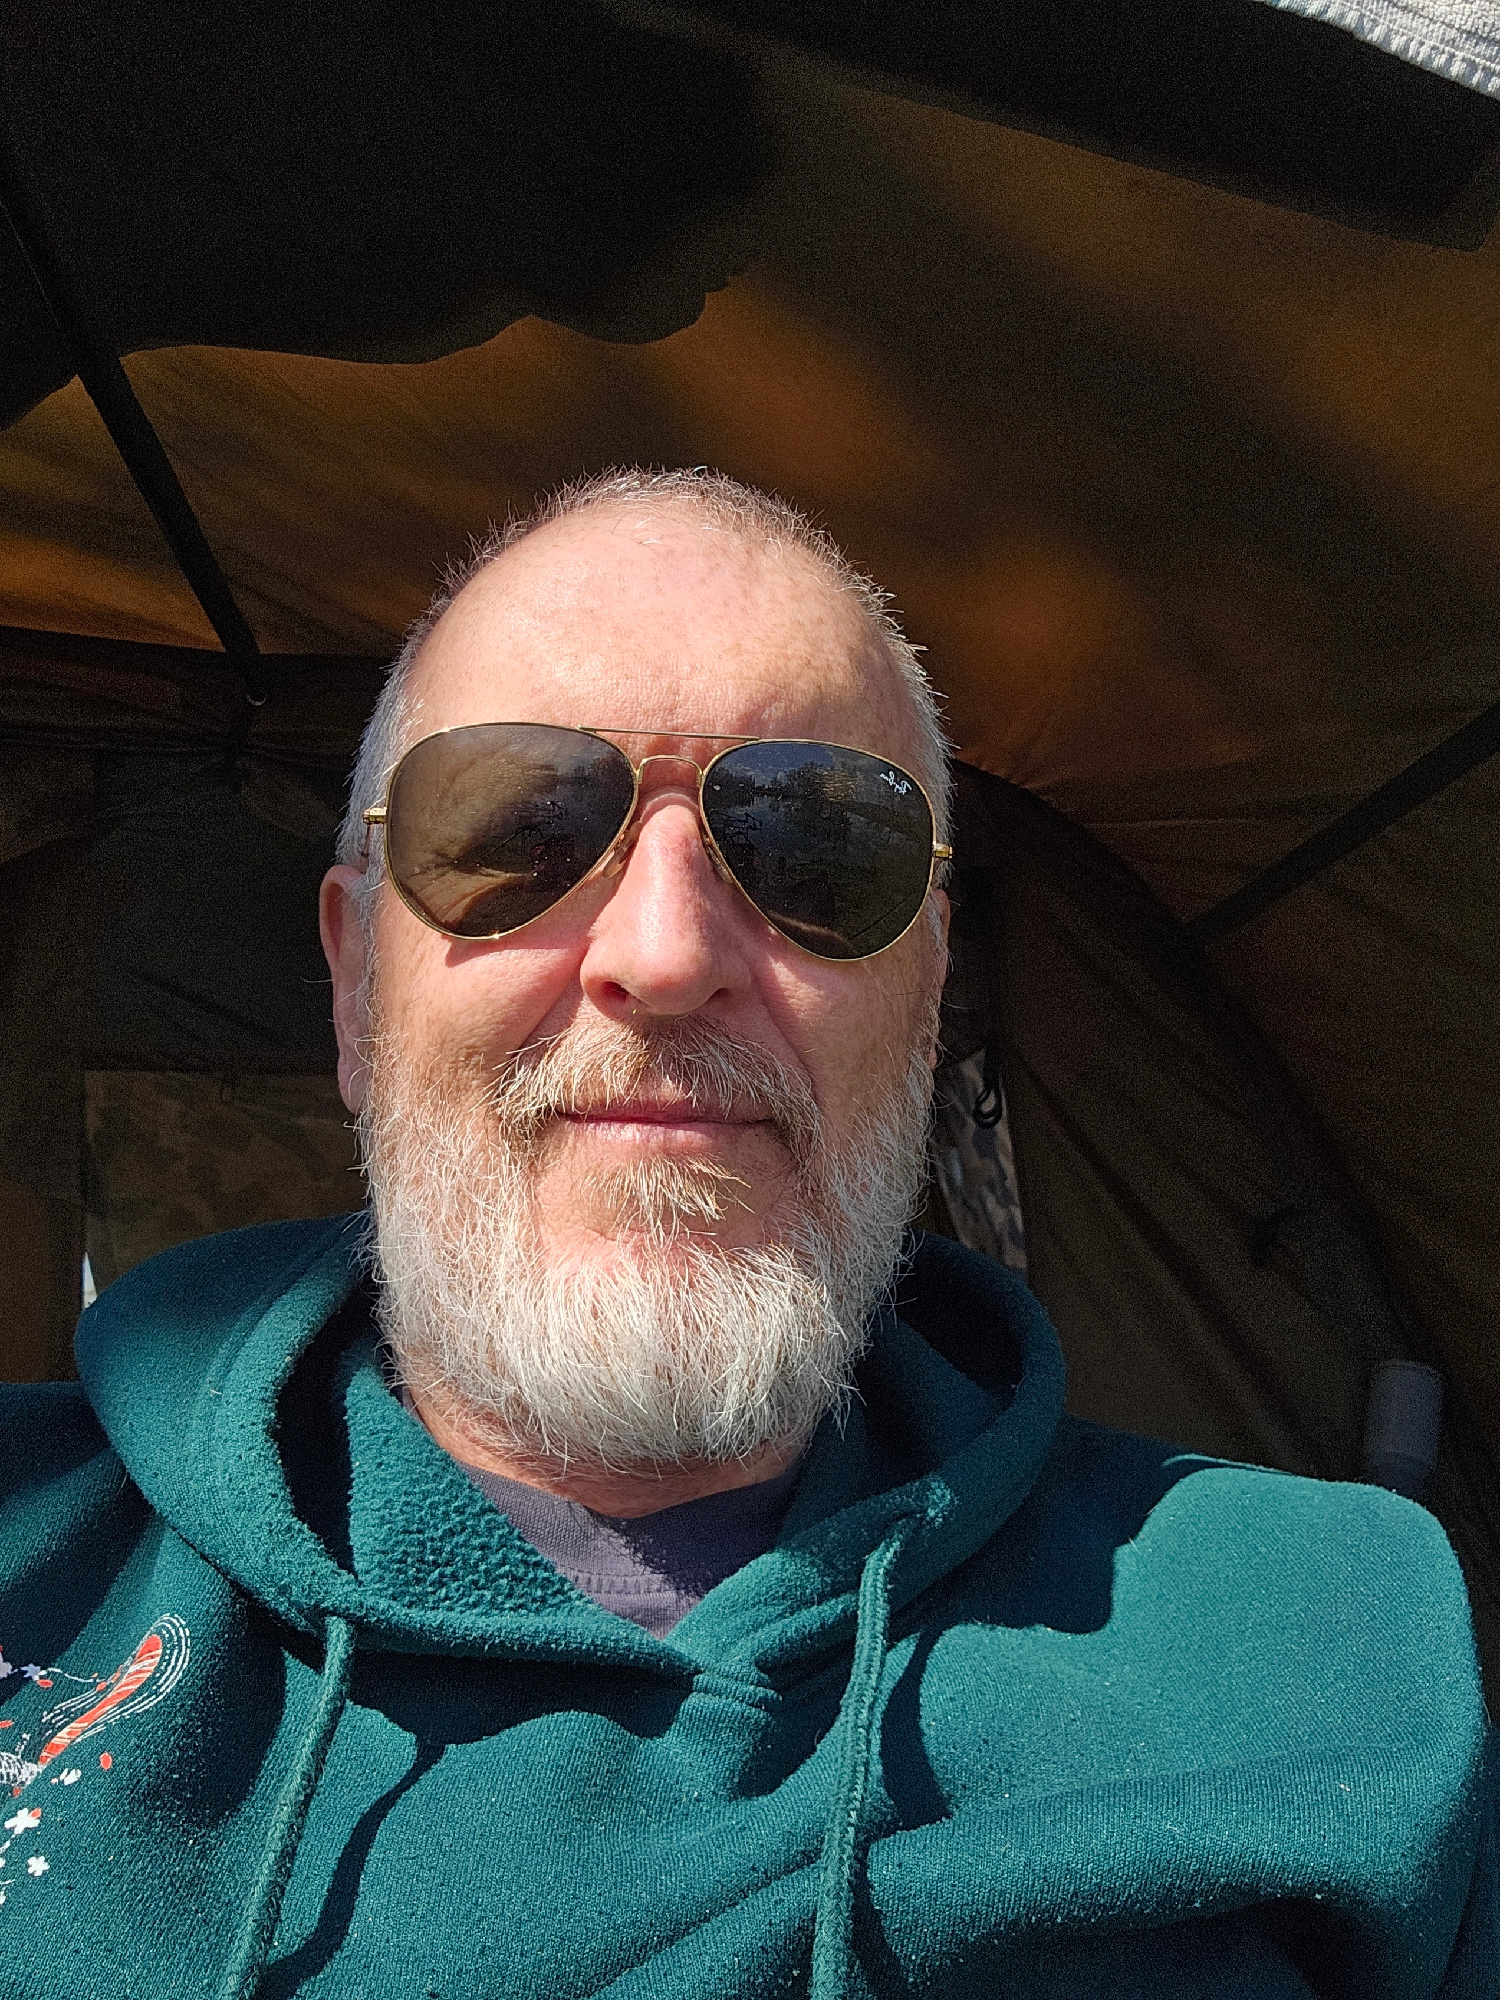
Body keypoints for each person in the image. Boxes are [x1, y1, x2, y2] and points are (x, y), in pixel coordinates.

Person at [1, 469, 1493, 2000]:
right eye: (516, 826)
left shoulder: (1331, 1637)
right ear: (355, 985)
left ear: (927, 998)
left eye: (816, 850)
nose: (665, 956)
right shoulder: (26, 1560)